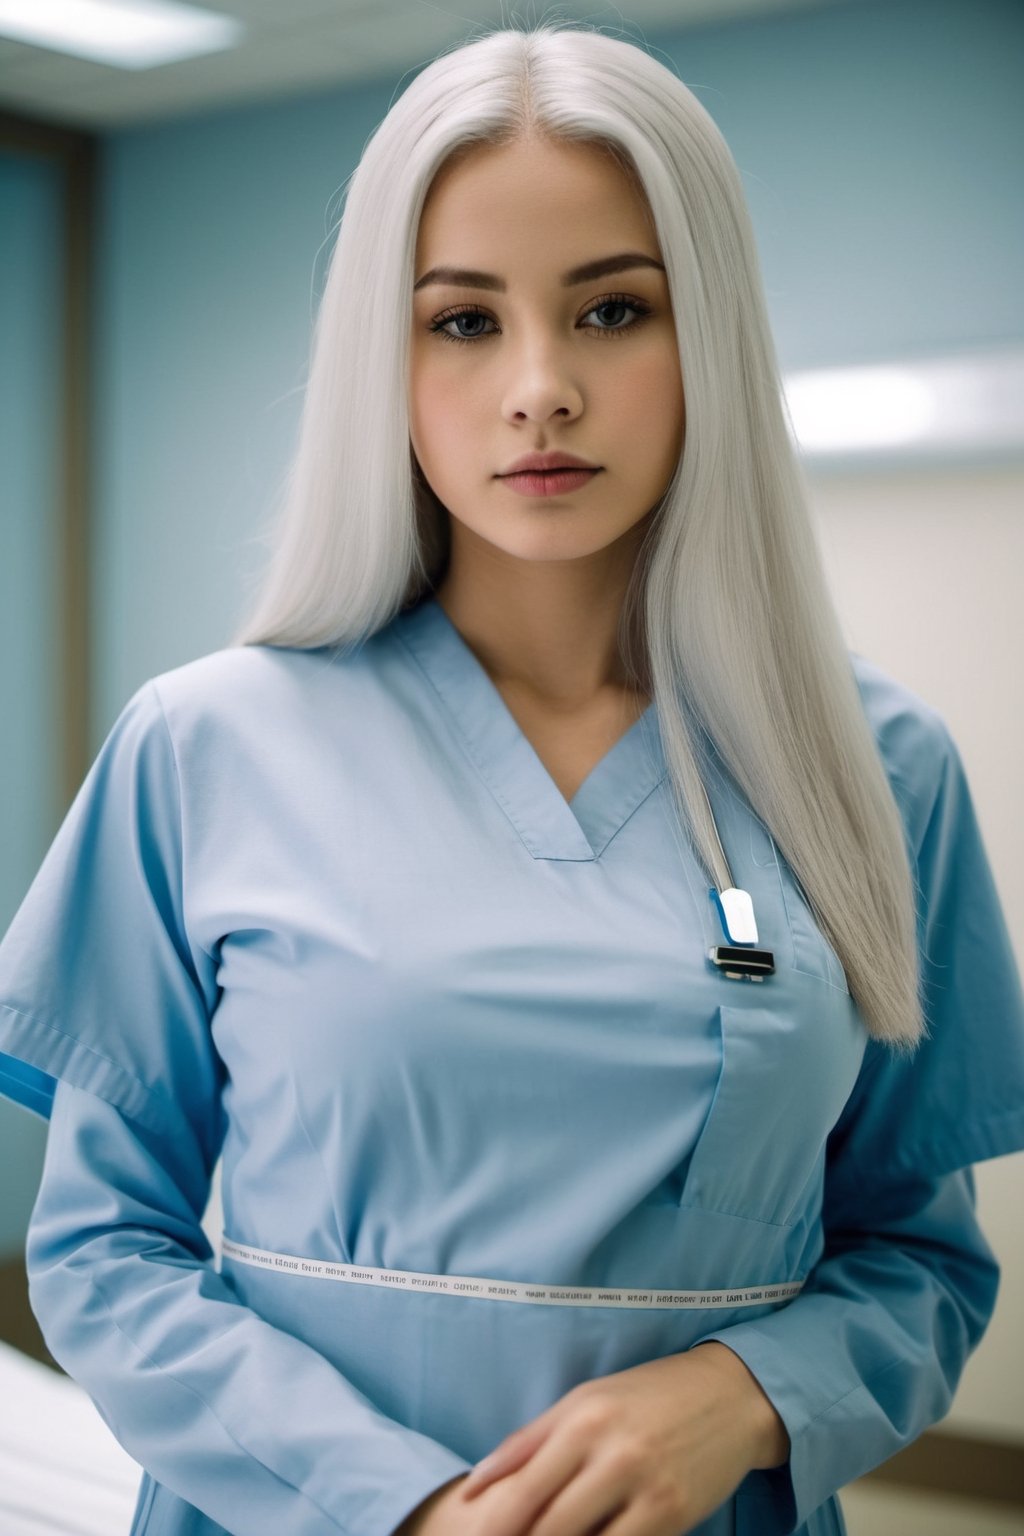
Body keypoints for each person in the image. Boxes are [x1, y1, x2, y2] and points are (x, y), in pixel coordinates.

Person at [1, 20, 1023, 1536]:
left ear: (711, 342)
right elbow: (102, 1248)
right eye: (464, 323)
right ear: (383, 361)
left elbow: (919, 1262)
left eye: (613, 309)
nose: (540, 388)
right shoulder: (204, 747)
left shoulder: (875, 773)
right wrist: (396, 1505)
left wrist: (738, 1397)